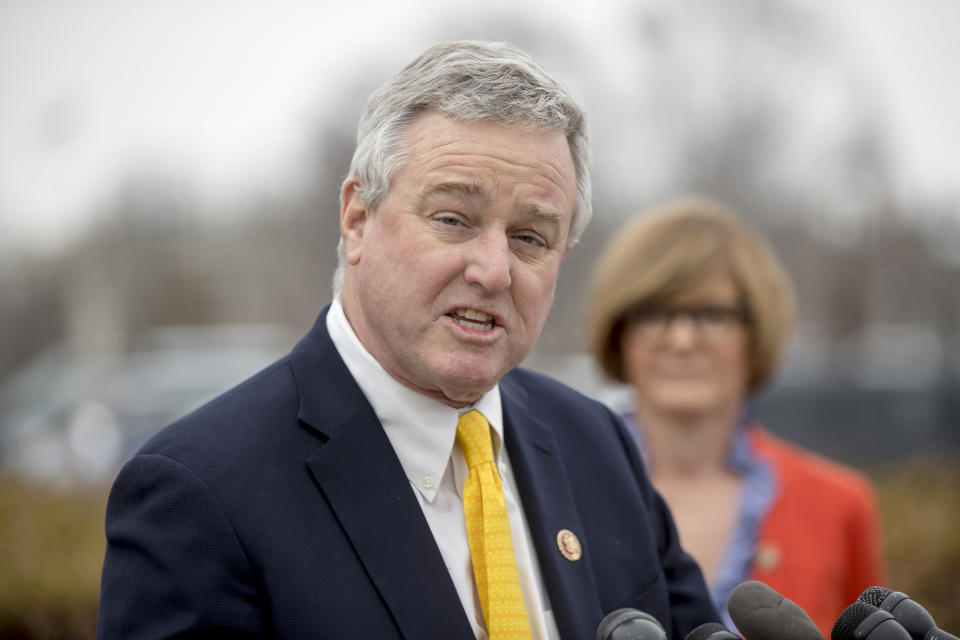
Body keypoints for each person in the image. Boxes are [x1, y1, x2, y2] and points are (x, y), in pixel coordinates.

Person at [98, 42, 719, 639]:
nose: (493, 270)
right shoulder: (200, 492)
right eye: (453, 219)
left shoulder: (597, 442)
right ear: (357, 220)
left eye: (531, 237)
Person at [586, 196, 887, 634]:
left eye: (712, 314)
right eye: (654, 313)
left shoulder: (841, 506)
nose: (683, 340)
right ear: (618, 329)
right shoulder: (558, 490)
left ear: (756, 328)